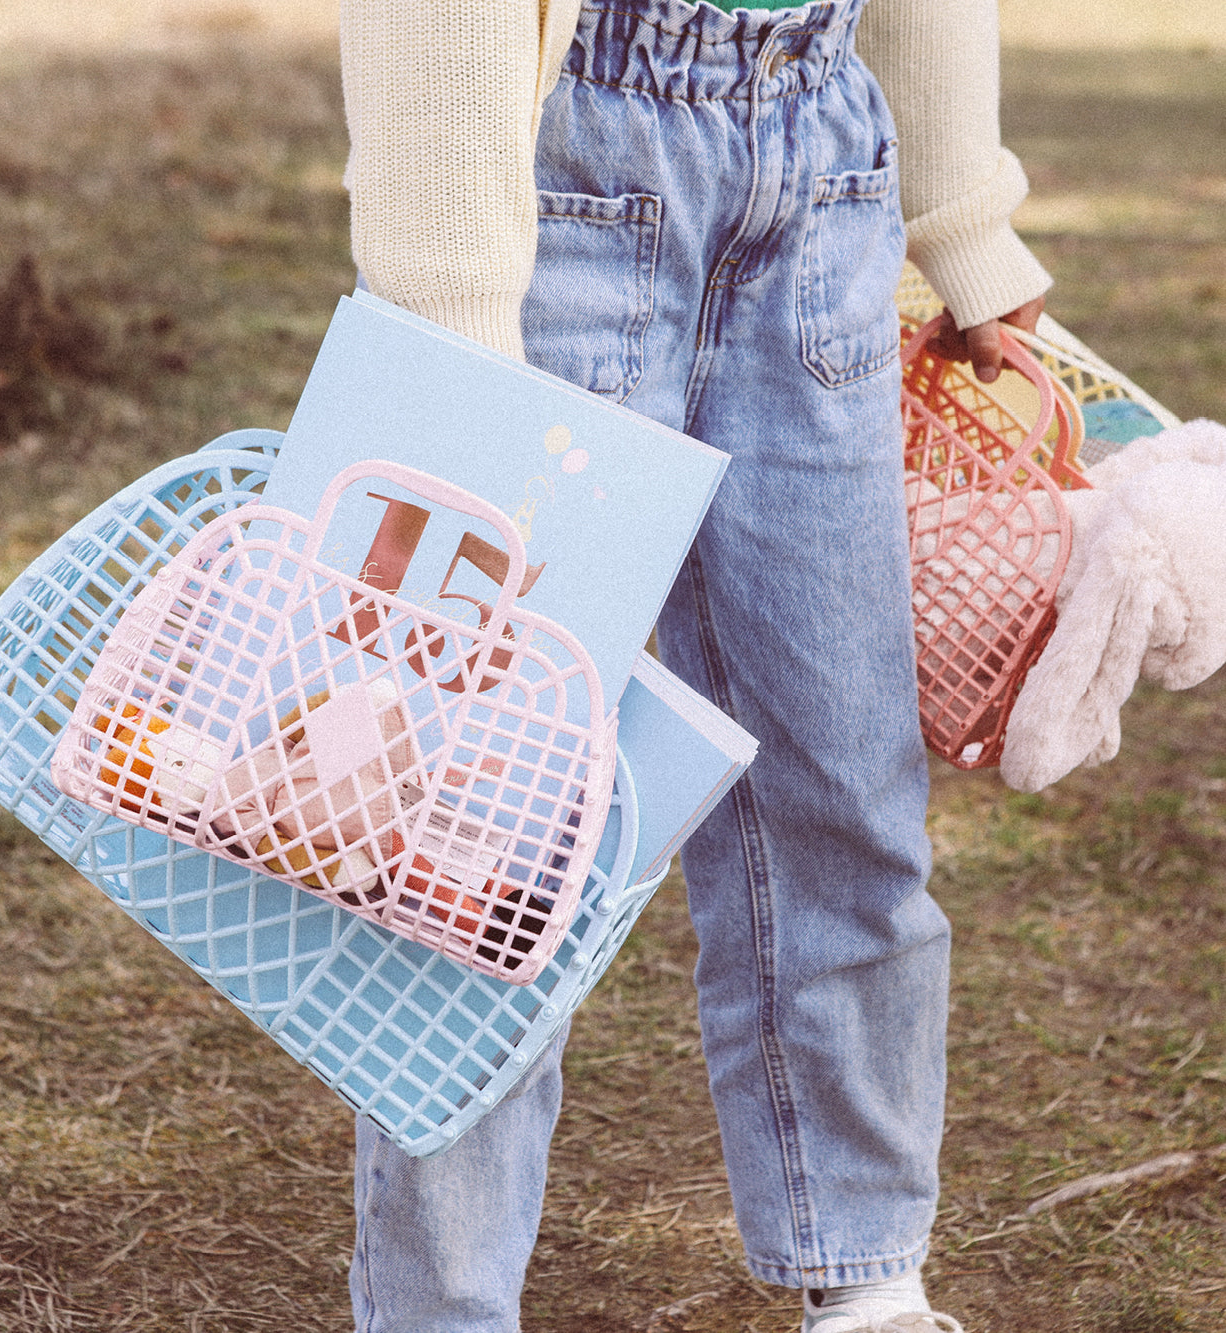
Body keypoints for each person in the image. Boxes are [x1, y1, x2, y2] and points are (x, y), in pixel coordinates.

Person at [336, 0, 1052, 1329]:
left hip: (824, 173)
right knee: (479, 817)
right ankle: (439, 1306)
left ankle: (864, 1271)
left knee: (843, 779)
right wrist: (446, 318)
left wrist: (957, 218)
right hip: (564, 174)